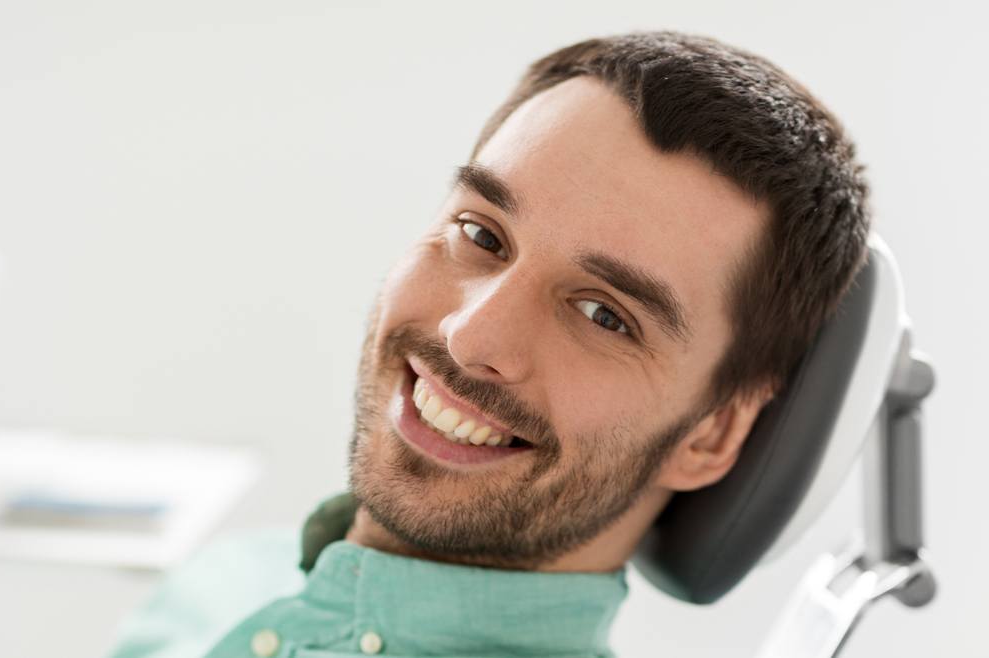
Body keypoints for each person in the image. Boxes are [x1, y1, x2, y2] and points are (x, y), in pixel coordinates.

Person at [110, 30, 869, 658]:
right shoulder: (228, 579)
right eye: (481, 234)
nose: (470, 334)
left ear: (713, 431)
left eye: (604, 315)